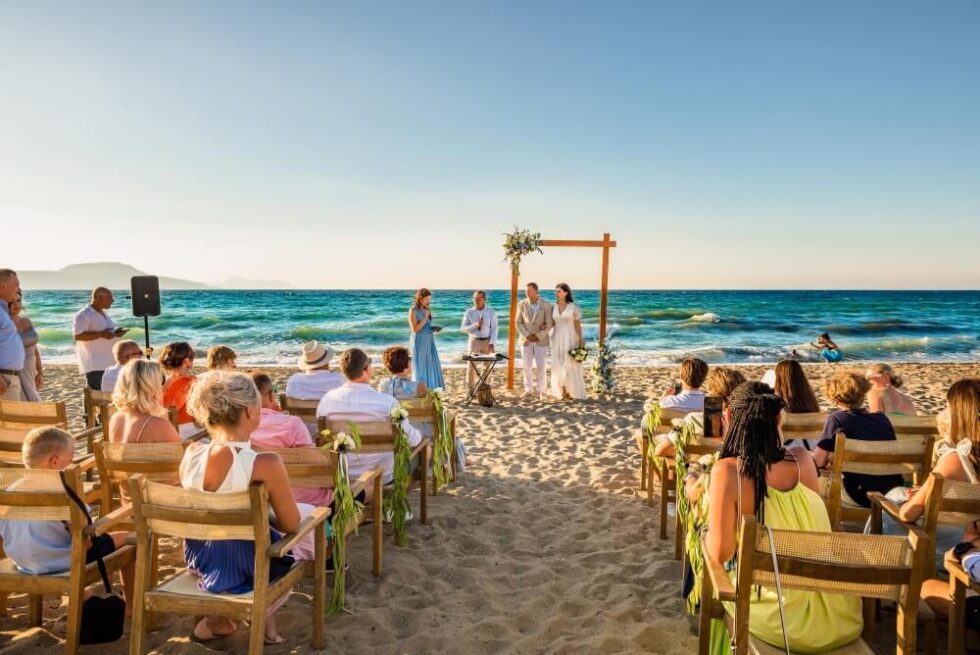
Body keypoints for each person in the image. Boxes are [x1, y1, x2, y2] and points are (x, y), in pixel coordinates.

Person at [703, 382, 863, 654]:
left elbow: (721, 553)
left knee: (704, 549)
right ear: (779, 420)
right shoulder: (802, 460)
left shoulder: (728, 472)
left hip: (779, 620)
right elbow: (808, 529)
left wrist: (704, 533)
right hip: (837, 615)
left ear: (730, 418)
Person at [180, 371, 317, 645]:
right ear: (249, 412)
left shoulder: (192, 453)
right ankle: (259, 619)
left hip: (201, 558)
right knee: (305, 529)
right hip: (246, 567)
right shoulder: (265, 463)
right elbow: (290, 525)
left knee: (259, 533)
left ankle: (226, 622)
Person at [0, 427, 135, 613]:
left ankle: (84, 596)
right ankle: (130, 607)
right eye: (70, 460)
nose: (72, 465)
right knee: (130, 540)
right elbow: (84, 535)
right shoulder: (62, 491)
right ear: (55, 461)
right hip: (61, 563)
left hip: (22, 562)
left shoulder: (11, 489)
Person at [887, 379, 980, 573]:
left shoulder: (956, 459)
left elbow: (908, 514)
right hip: (973, 536)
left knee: (891, 501)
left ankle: (880, 571)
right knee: (899, 493)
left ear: (959, 414)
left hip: (959, 544)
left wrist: (919, 500)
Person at [317, 348, 423, 488]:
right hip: (383, 475)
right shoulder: (387, 402)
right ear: (366, 369)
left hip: (342, 474)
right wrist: (421, 437)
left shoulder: (327, 400)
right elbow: (411, 439)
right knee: (422, 447)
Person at [812, 370, 901, 508]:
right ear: (863, 394)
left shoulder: (837, 419)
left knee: (818, 484)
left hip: (859, 494)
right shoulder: (882, 418)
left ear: (836, 400)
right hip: (891, 492)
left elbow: (817, 461)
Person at [249, 372, 332, 508]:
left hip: (263, 501)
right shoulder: (291, 424)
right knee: (366, 489)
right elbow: (317, 466)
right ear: (270, 395)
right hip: (308, 502)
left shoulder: (240, 429)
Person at [653, 367, 745, 459]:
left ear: (712, 392)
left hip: (703, 470)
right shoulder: (749, 423)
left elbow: (660, 450)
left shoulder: (695, 420)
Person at [109, 359, 182, 445]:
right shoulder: (159, 426)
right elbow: (181, 456)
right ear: (152, 385)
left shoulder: (115, 419)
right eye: (161, 379)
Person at [73, 287, 128, 390]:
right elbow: (78, 336)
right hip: (95, 364)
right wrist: (101, 334)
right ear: (100, 297)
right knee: (96, 396)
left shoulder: (103, 313)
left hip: (108, 363)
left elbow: (105, 332)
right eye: (110, 298)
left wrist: (115, 333)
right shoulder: (84, 315)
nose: (112, 301)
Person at [550, 283, 586, 400]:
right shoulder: (554, 307)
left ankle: (570, 391)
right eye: (556, 291)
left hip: (570, 337)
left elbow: (577, 325)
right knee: (558, 363)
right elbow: (552, 323)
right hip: (556, 338)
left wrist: (580, 339)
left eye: (559, 291)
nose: (557, 293)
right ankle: (562, 390)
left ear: (566, 293)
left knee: (569, 364)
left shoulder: (573, 307)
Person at [516, 282, 553, 397]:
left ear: (536, 291)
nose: (527, 293)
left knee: (541, 367)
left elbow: (549, 323)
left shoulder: (546, 305)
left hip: (541, 341)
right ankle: (528, 390)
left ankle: (541, 390)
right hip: (525, 340)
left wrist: (538, 336)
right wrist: (527, 335)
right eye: (526, 291)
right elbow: (518, 322)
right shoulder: (521, 304)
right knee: (526, 367)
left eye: (529, 291)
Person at [159, 341, 199, 439]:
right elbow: (199, 420)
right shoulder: (191, 382)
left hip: (163, 432)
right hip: (188, 435)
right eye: (192, 358)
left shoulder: (159, 382)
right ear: (186, 361)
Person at [408, 288, 445, 390]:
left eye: (429, 299)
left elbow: (426, 327)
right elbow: (415, 329)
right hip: (419, 341)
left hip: (429, 340)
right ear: (420, 298)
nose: (428, 301)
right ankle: (420, 389)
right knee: (420, 366)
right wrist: (425, 317)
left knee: (430, 364)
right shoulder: (413, 310)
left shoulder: (427, 310)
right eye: (426, 299)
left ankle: (430, 389)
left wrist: (434, 328)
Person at [460, 290, 498, 388]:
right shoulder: (469, 312)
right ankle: (470, 389)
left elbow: (494, 329)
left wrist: (492, 343)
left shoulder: (491, 312)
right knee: (471, 366)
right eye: (474, 298)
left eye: (478, 298)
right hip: (474, 341)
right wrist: (475, 325)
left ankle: (484, 388)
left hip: (487, 341)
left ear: (484, 299)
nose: (475, 300)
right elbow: (463, 329)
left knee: (487, 366)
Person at [10, 292, 42, 401]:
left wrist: (40, 373)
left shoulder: (27, 322)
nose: (16, 304)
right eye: (12, 302)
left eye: (18, 301)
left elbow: (35, 351)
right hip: (16, 372)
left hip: (30, 370)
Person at [0, 269, 26, 401]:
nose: (18, 289)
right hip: (4, 380)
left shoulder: (3, 311)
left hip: (10, 378)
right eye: (15, 285)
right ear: (2, 286)